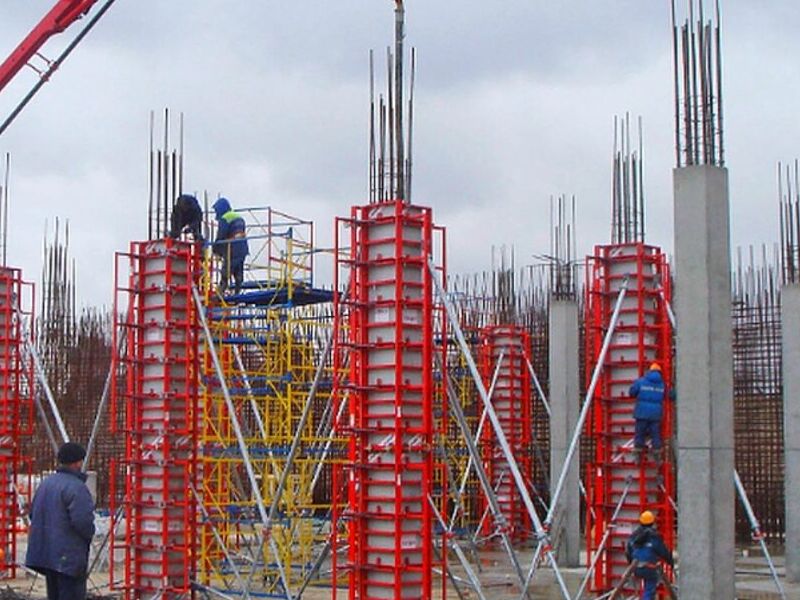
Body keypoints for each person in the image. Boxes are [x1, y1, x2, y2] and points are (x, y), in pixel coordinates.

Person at [26, 442, 95, 600]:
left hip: (47, 556)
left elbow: (33, 513)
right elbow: (83, 522)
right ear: (78, 462)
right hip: (68, 558)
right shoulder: (77, 487)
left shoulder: (46, 484)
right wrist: (89, 535)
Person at [625, 510, 674, 600]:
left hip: (635, 567)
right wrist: (671, 562)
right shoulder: (654, 537)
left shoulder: (634, 536)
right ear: (652, 522)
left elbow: (628, 551)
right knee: (650, 587)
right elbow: (663, 552)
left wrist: (631, 564)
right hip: (649, 568)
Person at [212, 197, 249, 295]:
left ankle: (220, 292)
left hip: (232, 248)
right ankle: (237, 292)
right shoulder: (239, 217)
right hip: (243, 247)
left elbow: (221, 235)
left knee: (226, 270)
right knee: (238, 270)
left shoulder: (225, 218)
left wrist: (215, 249)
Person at [629, 362, 666, 460]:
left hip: (642, 412)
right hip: (655, 414)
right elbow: (669, 395)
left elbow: (632, 392)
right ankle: (657, 451)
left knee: (640, 432)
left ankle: (638, 451)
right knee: (655, 433)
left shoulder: (641, 381)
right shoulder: (662, 385)